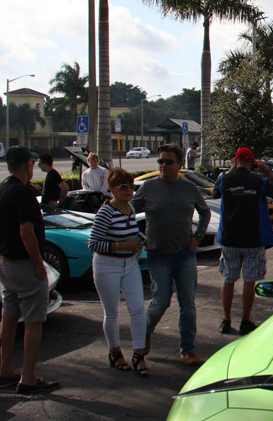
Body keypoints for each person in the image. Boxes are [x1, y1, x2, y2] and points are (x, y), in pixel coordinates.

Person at [0, 145, 59, 394]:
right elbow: (26, 231)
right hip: (23, 264)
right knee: (34, 320)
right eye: (32, 163)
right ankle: (28, 377)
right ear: (27, 164)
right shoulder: (23, 193)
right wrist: (39, 265)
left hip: (3, 261)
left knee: (9, 315)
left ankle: (5, 370)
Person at [131, 144, 211, 367]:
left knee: (188, 303)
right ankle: (142, 336)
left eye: (168, 162)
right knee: (160, 301)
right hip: (158, 254)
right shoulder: (149, 187)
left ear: (179, 164)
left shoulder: (188, 188)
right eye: (160, 162)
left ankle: (187, 350)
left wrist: (199, 236)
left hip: (185, 254)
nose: (163, 166)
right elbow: (126, 210)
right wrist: (138, 236)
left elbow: (204, 212)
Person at [86, 168, 147, 376]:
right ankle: (115, 352)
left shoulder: (129, 208)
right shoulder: (106, 212)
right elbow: (93, 243)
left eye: (131, 186)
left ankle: (139, 354)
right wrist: (121, 245)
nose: (128, 190)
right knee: (112, 312)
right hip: (107, 266)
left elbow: (130, 233)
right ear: (111, 189)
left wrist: (138, 242)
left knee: (138, 309)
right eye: (123, 186)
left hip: (130, 265)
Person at [217, 147, 273, 336]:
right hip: (252, 238)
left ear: (235, 161)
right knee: (249, 280)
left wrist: (231, 170)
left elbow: (215, 192)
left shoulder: (224, 179)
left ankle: (226, 320)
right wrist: (267, 172)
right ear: (253, 162)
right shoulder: (258, 181)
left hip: (229, 238)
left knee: (228, 279)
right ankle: (245, 320)